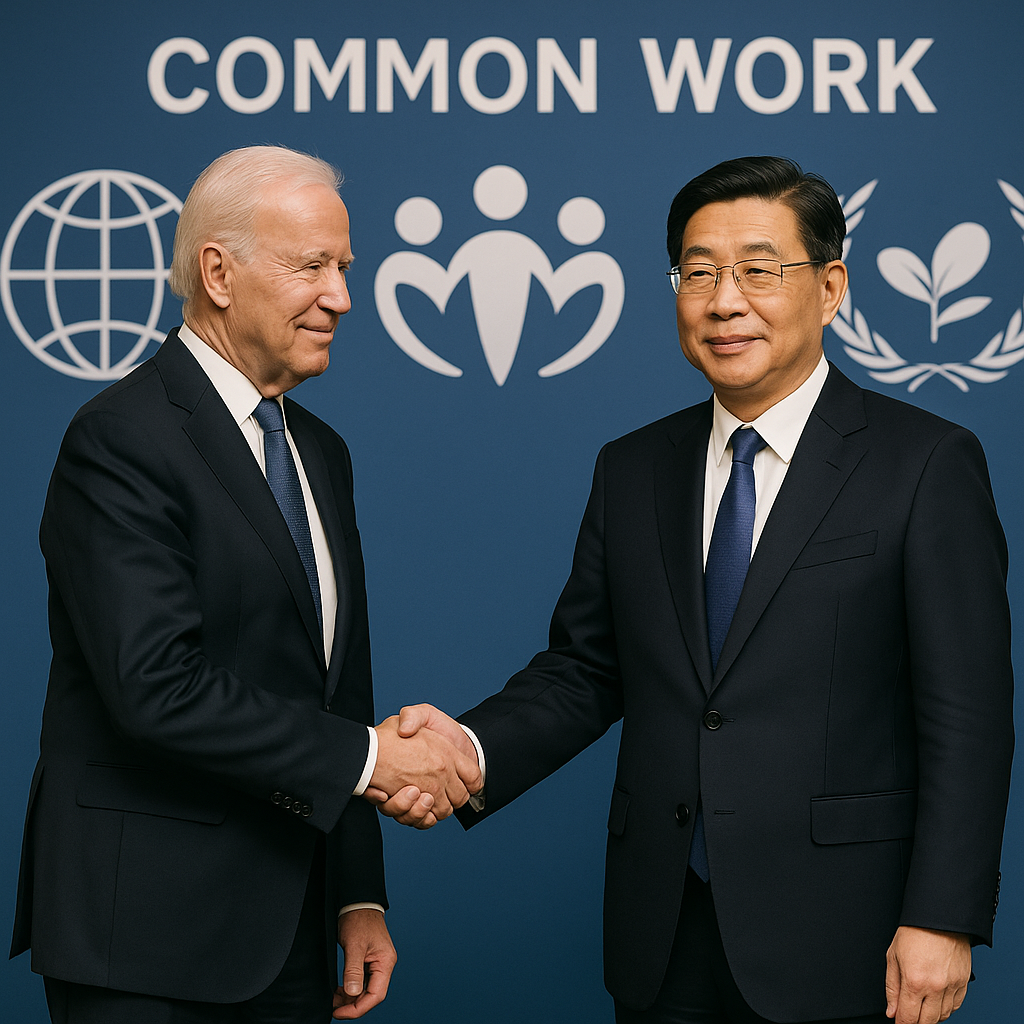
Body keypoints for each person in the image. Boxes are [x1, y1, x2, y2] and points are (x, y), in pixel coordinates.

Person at [375, 157, 1014, 1024]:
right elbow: (587, 670)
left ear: (830, 289)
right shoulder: (634, 467)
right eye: (699, 272)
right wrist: (467, 754)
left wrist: (942, 914)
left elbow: (967, 714)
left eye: (758, 269)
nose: (724, 300)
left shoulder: (925, 463)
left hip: (846, 933)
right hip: (662, 930)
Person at [9, 145, 480, 1024]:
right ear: (218, 273)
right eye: (313, 267)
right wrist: (380, 762)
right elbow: (155, 688)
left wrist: (354, 894)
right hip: (146, 942)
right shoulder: (120, 439)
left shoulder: (321, 453)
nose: (342, 297)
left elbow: (337, 688)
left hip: (294, 933)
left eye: (345, 268)